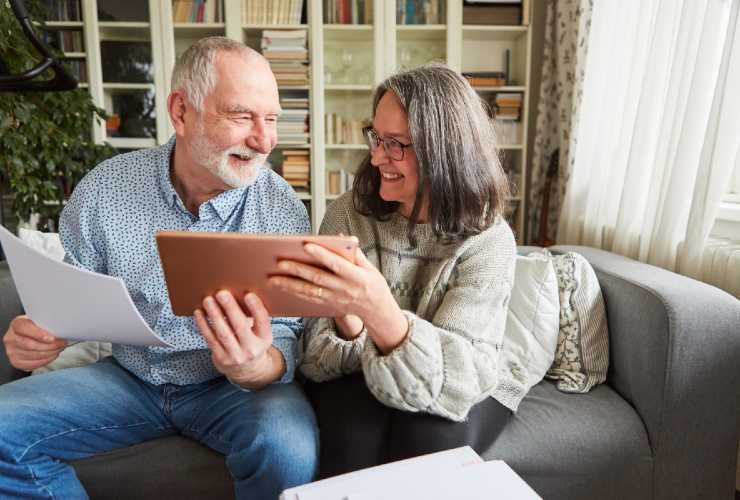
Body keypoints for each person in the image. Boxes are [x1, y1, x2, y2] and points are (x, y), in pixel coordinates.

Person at [0, 37, 317, 499]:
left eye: (271, 120)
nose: (264, 140)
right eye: (242, 116)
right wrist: (43, 333)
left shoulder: (282, 208)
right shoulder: (106, 187)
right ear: (181, 111)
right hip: (130, 379)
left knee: (286, 449)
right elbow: (74, 295)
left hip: (232, 390)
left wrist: (257, 366)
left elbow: (290, 332)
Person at [271, 63, 519, 476]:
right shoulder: (348, 215)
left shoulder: (489, 240)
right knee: (351, 432)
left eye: (396, 144)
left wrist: (379, 311)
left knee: (430, 439)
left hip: (464, 384)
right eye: (376, 137)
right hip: (366, 377)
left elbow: (457, 382)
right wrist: (354, 326)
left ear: (444, 152)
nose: (376, 156)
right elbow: (314, 358)